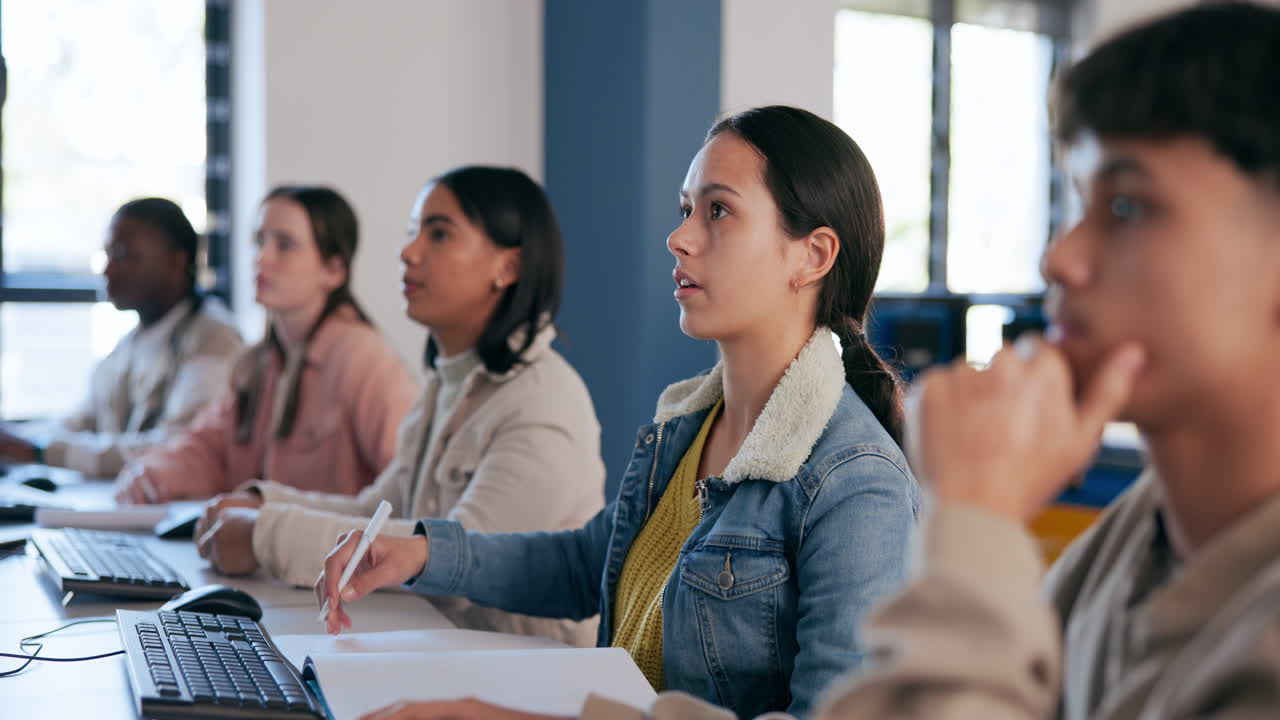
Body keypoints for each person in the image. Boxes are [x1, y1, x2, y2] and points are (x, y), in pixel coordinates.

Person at [537, 4, 1280, 720]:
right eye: (1075, 205)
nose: (1060, 258)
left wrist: (976, 525)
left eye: (1126, 208)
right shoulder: (1128, 549)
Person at [318, 106, 921, 719]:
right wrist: (421, 553)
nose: (679, 237)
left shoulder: (856, 481)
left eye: (719, 210)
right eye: (687, 209)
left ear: (812, 256)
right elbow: (589, 562)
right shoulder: (689, 427)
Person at [192, 167, 606, 647]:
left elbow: (460, 559)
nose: (408, 252)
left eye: (439, 234)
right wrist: (265, 501)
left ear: (507, 268)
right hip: (441, 650)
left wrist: (268, 533)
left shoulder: (543, 399)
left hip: (523, 674)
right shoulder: (446, 385)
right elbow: (378, 508)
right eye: (413, 233)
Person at [115, 186, 416, 503]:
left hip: (329, 550)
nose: (262, 258)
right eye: (259, 241)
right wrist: (152, 473)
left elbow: (408, 485)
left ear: (334, 270)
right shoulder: (258, 363)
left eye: (284, 245)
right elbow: (207, 450)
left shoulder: (363, 357)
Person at [0, 198, 243, 477]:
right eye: (108, 254)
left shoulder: (214, 339)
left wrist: (41, 452)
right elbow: (78, 423)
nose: (108, 270)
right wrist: (19, 440)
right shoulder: (131, 343)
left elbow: (177, 449)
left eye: (123, 255)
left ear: (176, 262)